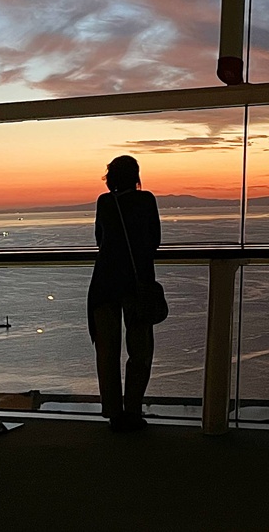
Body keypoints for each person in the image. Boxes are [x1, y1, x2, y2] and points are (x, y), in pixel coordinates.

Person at [87, 155, 161, 432]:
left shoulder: (105, 203)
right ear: (136, 176)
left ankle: (114, 413)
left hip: (104, 282)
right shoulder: (147, 200)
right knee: (139, 350)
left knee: (107, 352)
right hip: (136, 282)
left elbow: (100, 240)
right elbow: (154, 240)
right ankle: (133, 409)